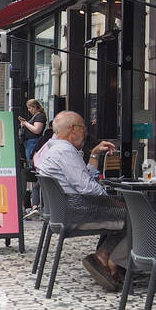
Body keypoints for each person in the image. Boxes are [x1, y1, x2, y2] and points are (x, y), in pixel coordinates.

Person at [33, 111, 127, 291]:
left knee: (120, 213)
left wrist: (94, 154)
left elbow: (84, 179)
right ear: (73, 129)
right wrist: (115, 203)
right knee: (135, 216)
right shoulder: (65, 151)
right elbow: (89, 189)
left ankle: (105, 259)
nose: (86, 133)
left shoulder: (54, 149)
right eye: (84, 129)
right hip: (76, 214)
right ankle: (111, 260)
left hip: (64, 213)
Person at [19, 99, 48, 217]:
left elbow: (37, 130)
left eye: (30, 108)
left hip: (32, 144)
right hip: (28, 144)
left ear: (35, 107)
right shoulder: (36, 116)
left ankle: (34, 201)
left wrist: (25, 123)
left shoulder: (40, 116)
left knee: (33, 167)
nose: (29, 110)